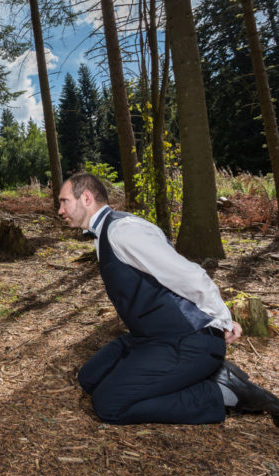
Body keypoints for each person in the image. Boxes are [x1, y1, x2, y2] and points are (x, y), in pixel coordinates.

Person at [58, 172, 279, 426]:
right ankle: (197, 375)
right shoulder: (106, 233)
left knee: (109, 404)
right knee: (90, 377)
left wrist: (223, 319)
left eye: (64, 201)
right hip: (150, 337)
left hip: (188, 340)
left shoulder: (123, 231)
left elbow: (189, 275)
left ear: (86, 197)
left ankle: (220, 392)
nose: (60, 210)